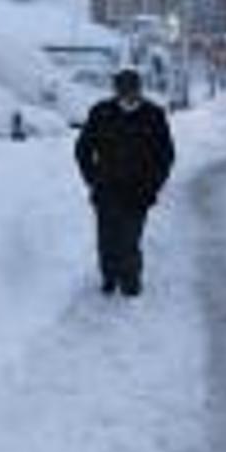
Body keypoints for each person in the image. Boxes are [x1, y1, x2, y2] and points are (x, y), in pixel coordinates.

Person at [74, 68, 174, 297]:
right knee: (107, 239)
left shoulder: (153, 115)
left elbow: (165, 156)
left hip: (138, 191)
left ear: (140, 91)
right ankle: (109, 278)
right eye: (123, 91)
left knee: (130, 239)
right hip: (106, 189)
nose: (128, 96)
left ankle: (131, 283)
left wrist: (153, 186)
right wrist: (92, 178)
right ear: (116, 91)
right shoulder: (101, 113)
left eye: (133, 91)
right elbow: (83, 150)